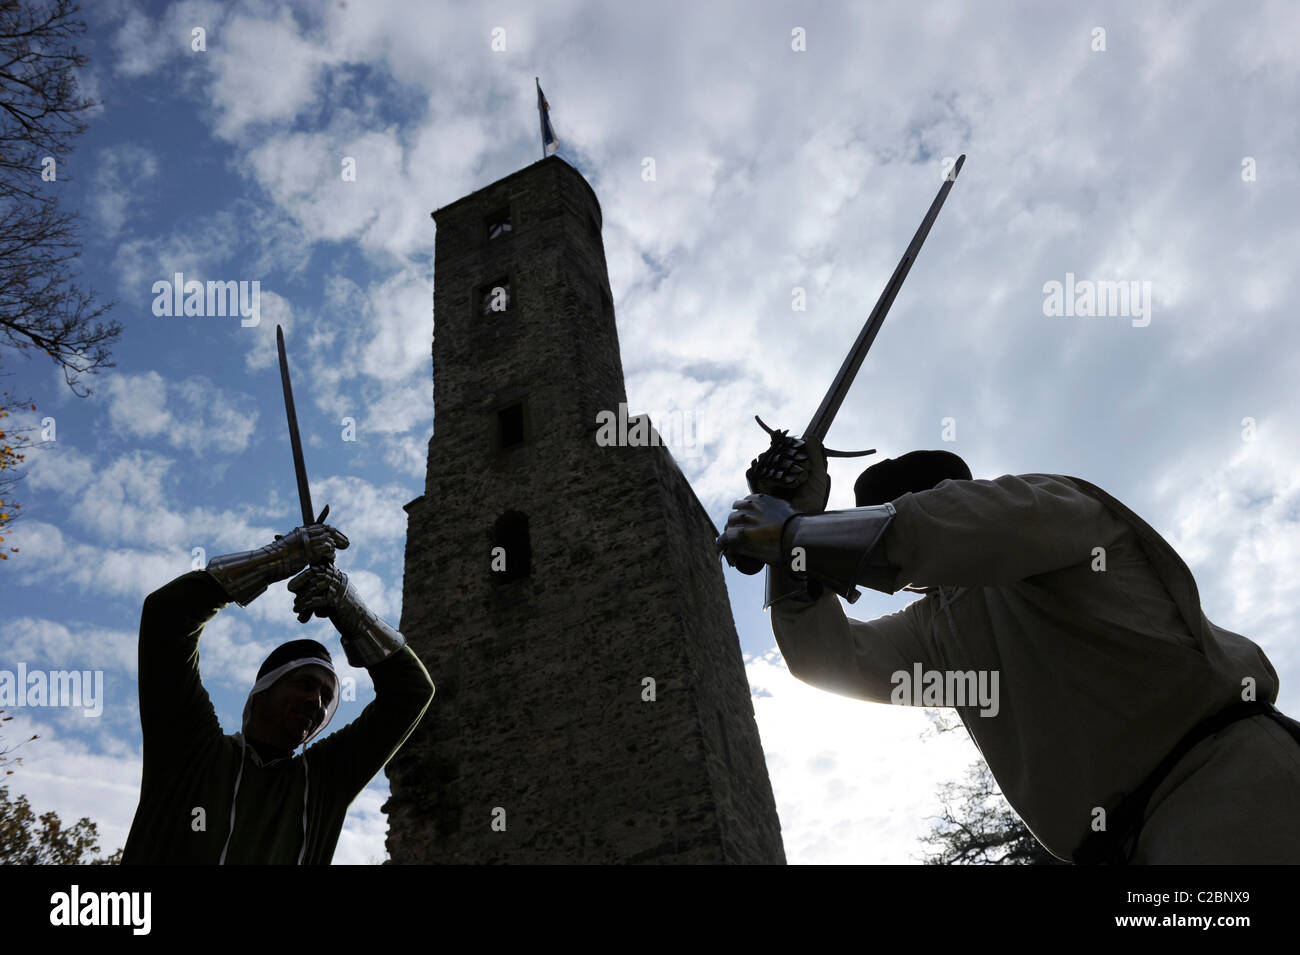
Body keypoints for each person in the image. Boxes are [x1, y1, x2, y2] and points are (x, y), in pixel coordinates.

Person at [718, 449, 1300, 863]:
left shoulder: (1049, 509)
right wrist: (792, 549)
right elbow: (829, 661)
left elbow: (946, 531)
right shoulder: (937, 629)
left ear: (954, 492)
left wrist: (796, 530)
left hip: (1233, 786)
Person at [121, 523, 434, 864]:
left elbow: (411, 692)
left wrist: (351, 609)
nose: (316, 702)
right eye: (303, 684)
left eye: (327, 697)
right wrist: (277, 559)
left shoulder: (322, 784)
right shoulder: (192, 749)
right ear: (261, 693)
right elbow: (166, 617)